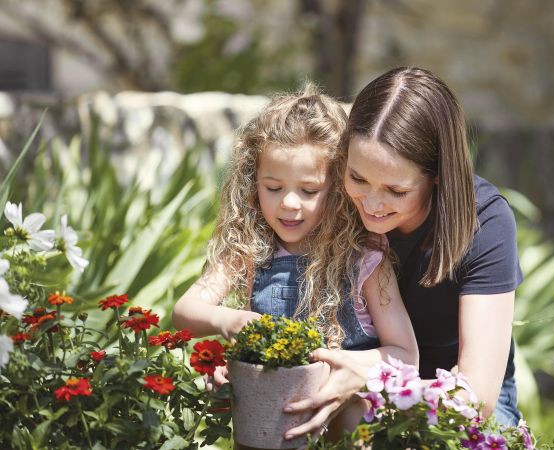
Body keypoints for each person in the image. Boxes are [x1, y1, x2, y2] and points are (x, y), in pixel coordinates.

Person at [283, 67, 523, 438]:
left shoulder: (486, 223)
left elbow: (477, 397)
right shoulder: (333, 199)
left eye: (396, 190)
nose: (372, 204)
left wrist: (370, 381)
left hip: (447, 396)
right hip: (345, 384)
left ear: (438, 175)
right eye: (358, 178)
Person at [171, 84, 418, 440]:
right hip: (274, 420)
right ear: (252, 183)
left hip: (345, 413)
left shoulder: (364, 258)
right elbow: (185, 311)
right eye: (273, 187)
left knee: (353, 417)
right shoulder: (248, 249)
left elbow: (406, 354)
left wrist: (339, 365)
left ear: (337, 187)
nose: (289, 203)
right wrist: (231, 322)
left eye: (309, 190)